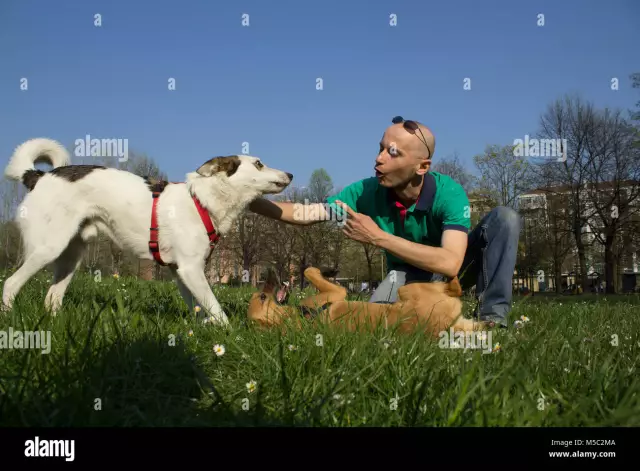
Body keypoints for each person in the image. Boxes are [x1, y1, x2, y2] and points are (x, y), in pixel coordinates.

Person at [249, 116, 521, 328]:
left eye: (393, 153)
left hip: (453, 272)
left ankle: (493, 318)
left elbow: (451, 262)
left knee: (504, 219)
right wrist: (247, 201)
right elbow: (306, 213)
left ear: (422, 166)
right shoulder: (366, 191)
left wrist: (378, 237)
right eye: (380, 149)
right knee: (376, 324)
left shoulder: (449, 194)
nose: (378, 159)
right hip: (404, 275)